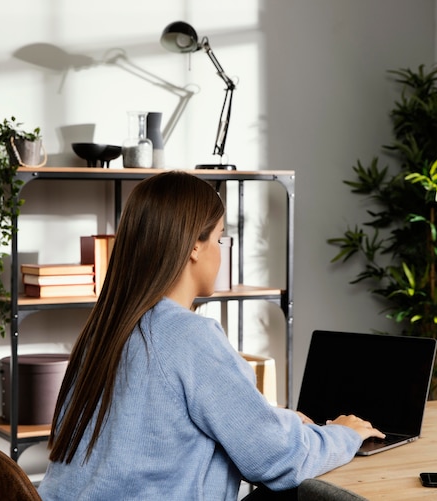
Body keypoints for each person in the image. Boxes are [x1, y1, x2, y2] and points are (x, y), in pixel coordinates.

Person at [37, 171, 384, 501]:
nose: (222, 251)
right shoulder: (188, 335)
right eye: (219, 238)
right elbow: (275, 459)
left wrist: (275, 418)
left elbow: (160, 423)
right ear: (194, 247)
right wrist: (343, 435)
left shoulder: (107, 327)